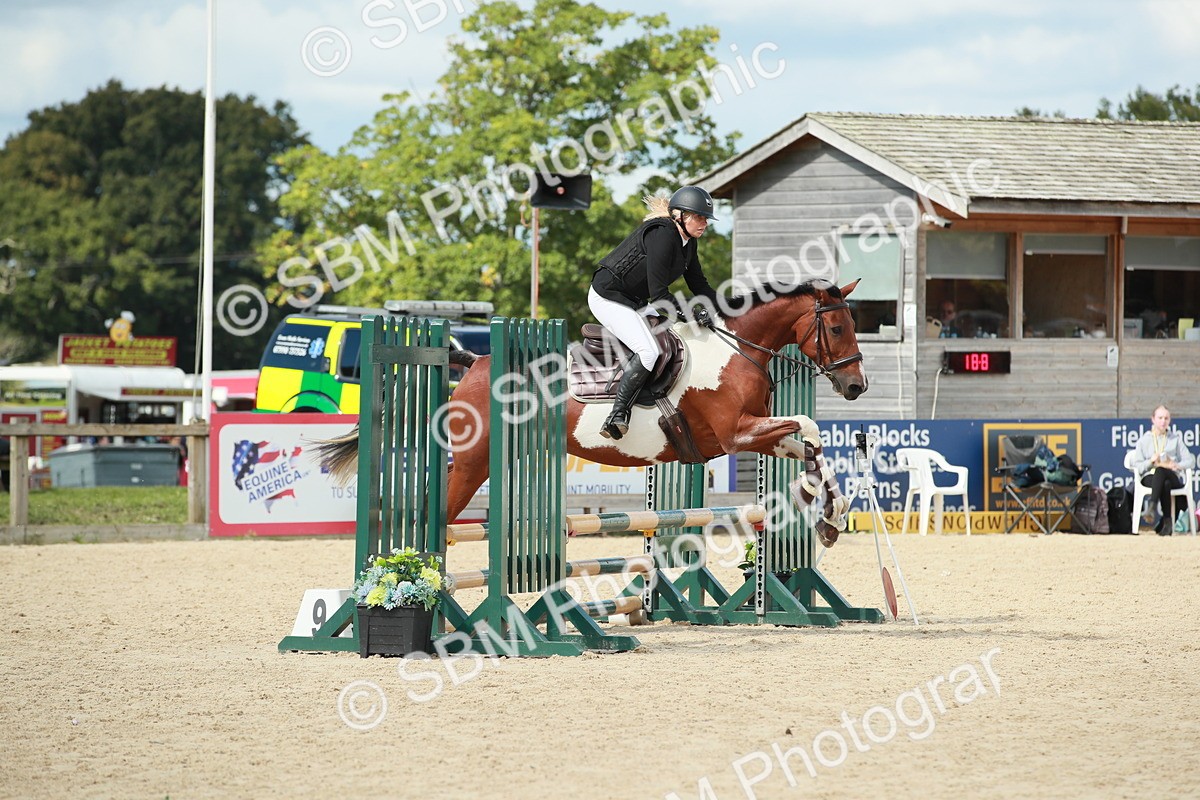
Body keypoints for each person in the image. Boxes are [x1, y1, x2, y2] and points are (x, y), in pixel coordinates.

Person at [588, 186, 719, 440]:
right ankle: (617, 415)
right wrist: (693, 314)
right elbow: (660, 296)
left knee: (674, 335)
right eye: (699, 217)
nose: (705, 223)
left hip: (633, 300)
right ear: (680, 216)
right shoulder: (663, 235)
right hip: (608, 296)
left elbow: (699, 285)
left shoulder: (688, 243)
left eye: (706, 219)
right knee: (648, 351)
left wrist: (730, 306)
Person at [1130, 405, 1195, 534]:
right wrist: (1150, 461)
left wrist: (1176, 465)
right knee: (1164, 481)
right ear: (1153, 419)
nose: (1163, 421)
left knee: (1163, 473)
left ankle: (1152, 505)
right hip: (1151, 476)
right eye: (1160, 418)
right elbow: (1137, 466)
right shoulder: (1144, 440)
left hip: (1172, 474)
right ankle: (1167, 523)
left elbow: (1190, 461)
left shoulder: (1175, 439)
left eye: (1166, 418)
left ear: (1170, 420)